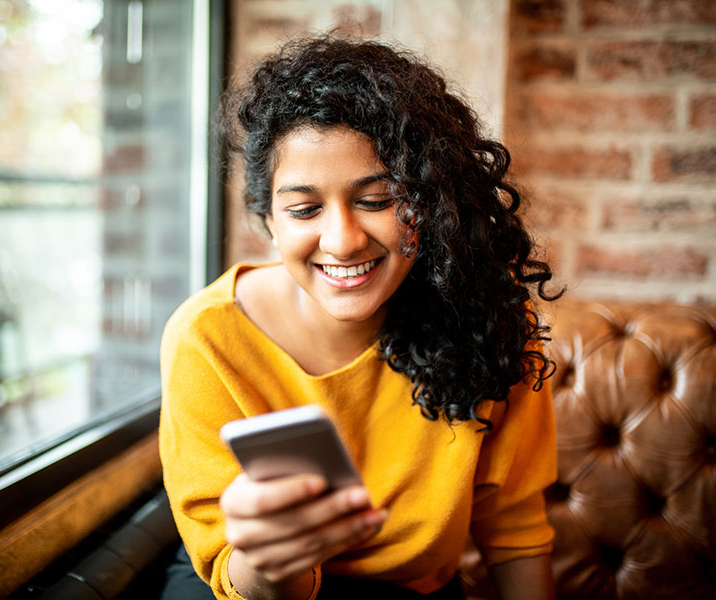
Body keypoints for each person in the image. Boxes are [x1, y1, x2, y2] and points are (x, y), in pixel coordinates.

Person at [159, 35, 562, 600]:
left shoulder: (487, 316)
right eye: (304, 209)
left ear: (431, 201)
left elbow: (514, 524)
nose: (343, 241)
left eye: (376, 200)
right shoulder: (208, 338)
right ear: (270, 220)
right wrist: (274, 556)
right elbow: (232, 571)